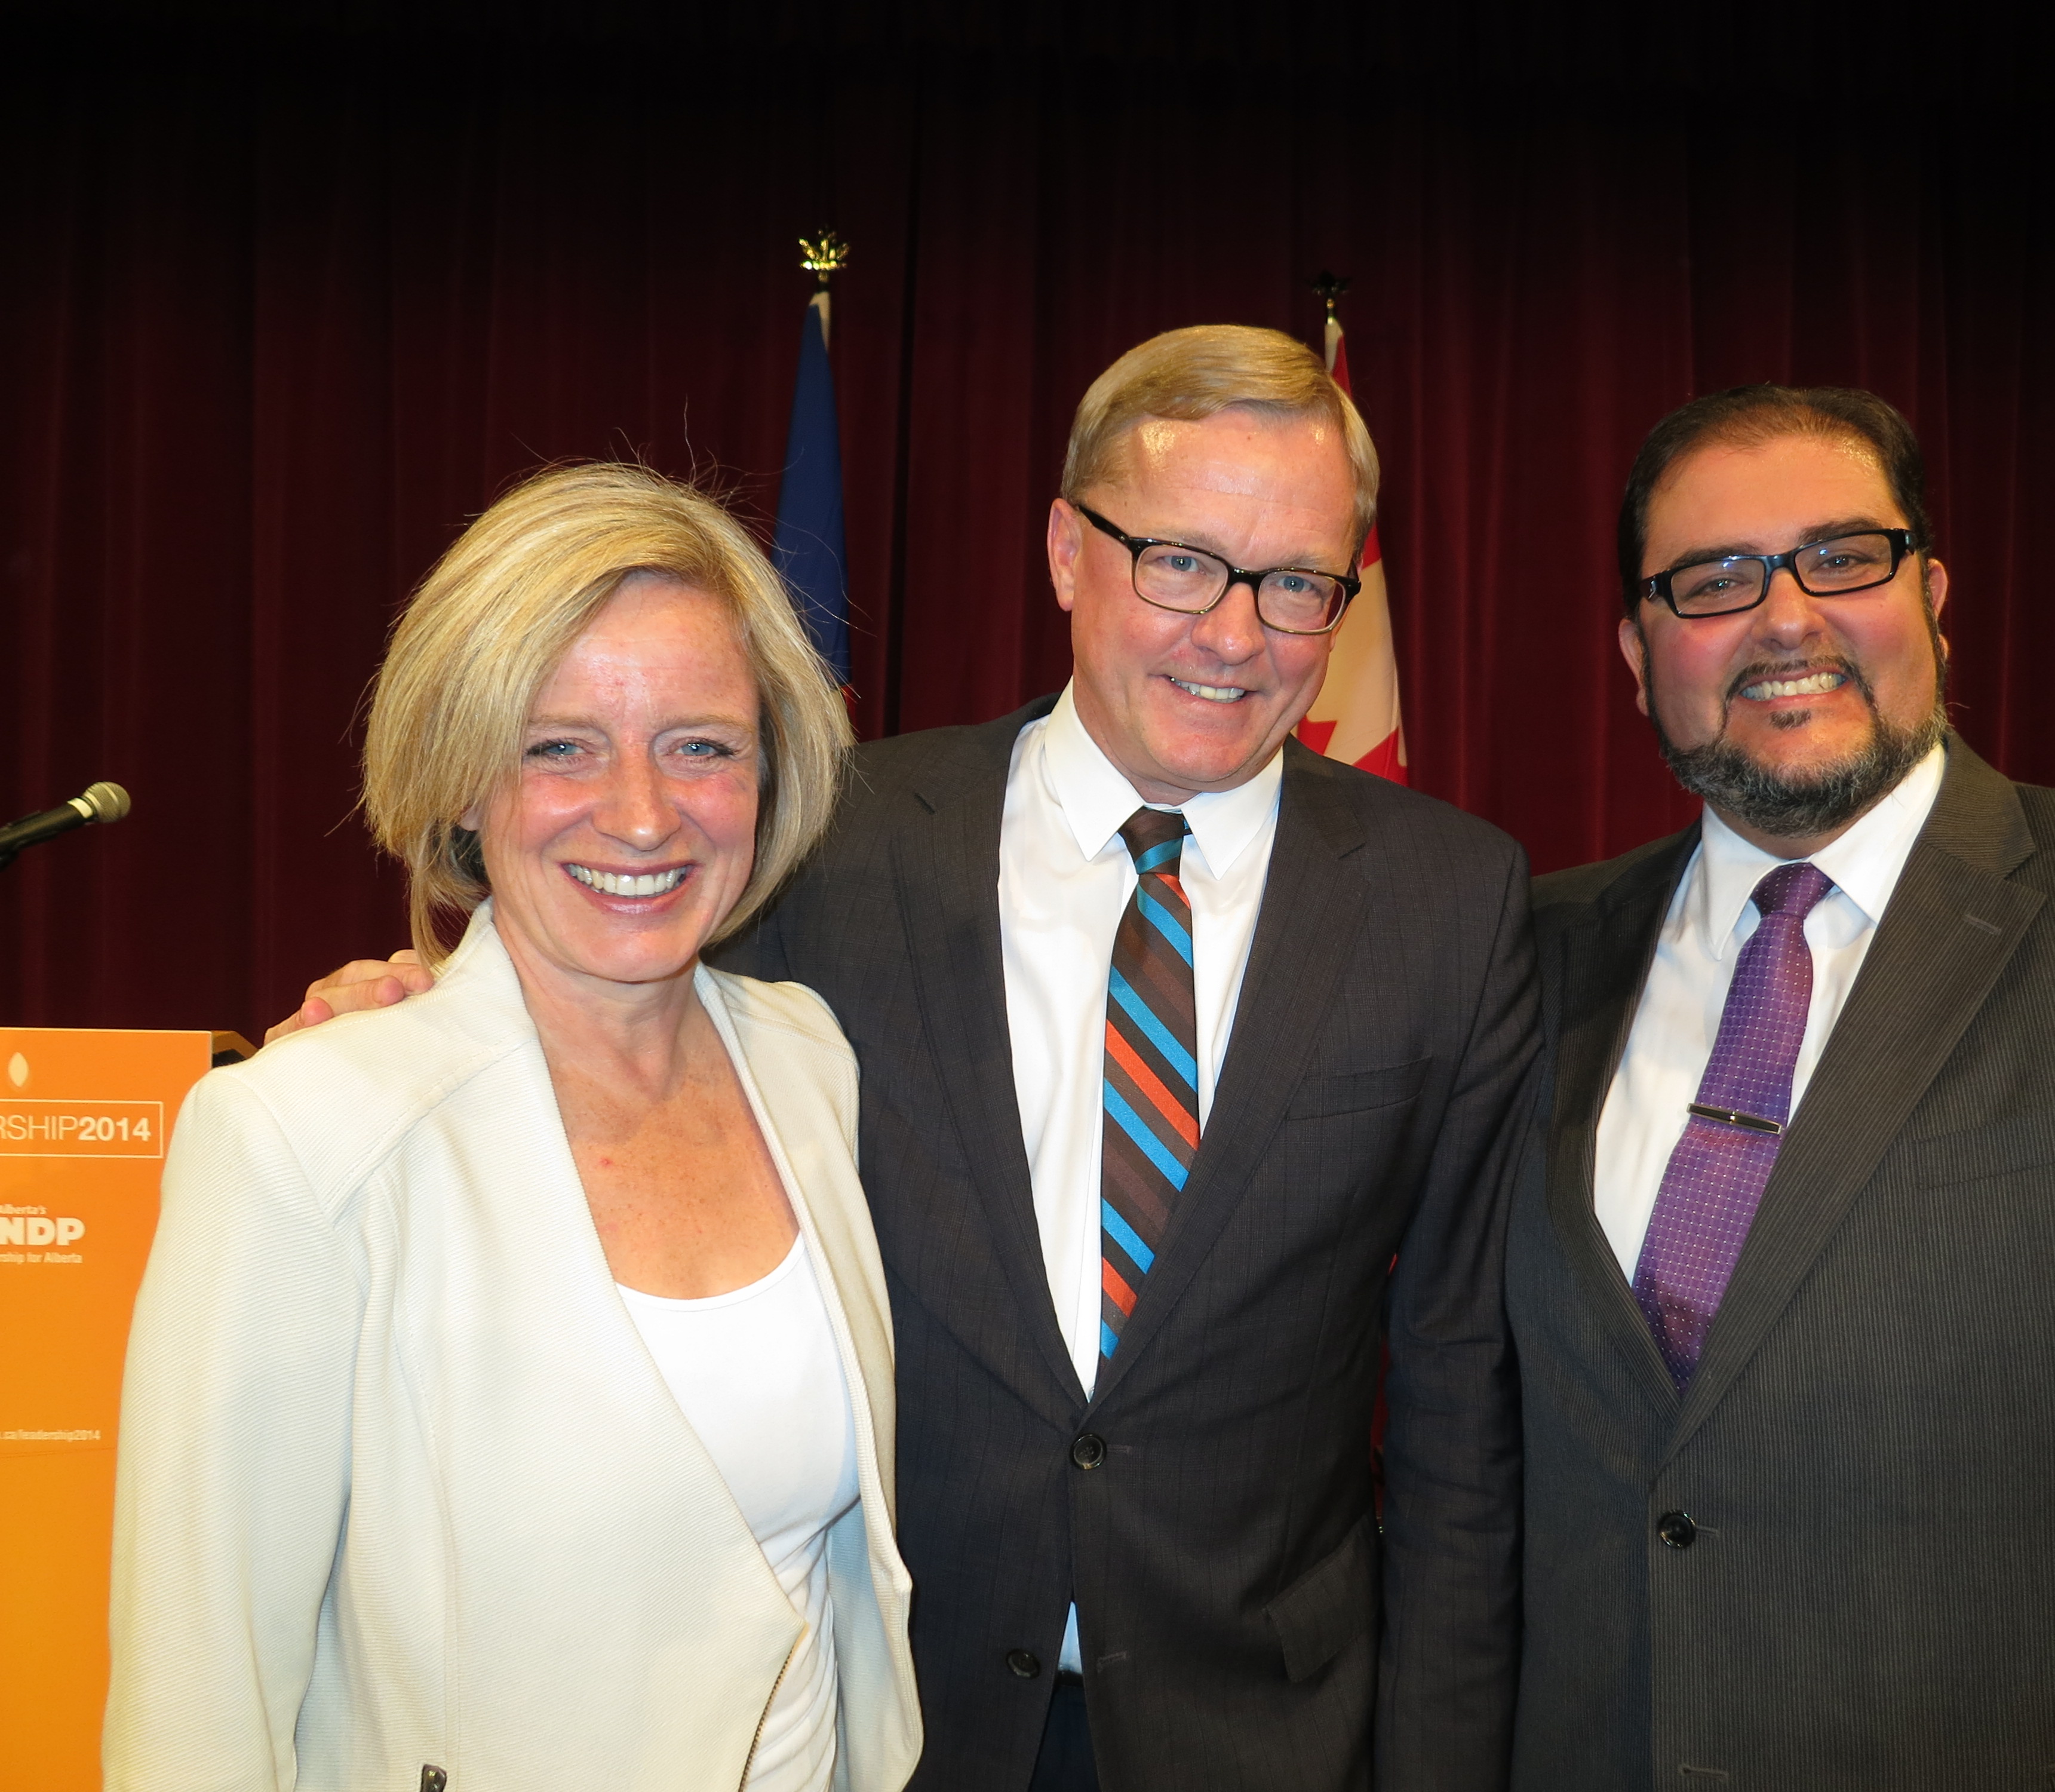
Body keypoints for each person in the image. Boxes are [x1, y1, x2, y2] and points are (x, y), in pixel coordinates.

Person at [274, 326, 1539, 1791]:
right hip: (889, 1723)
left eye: (1296, 583)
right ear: (1067, 549)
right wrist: (425, 1017)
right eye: (1180, 562)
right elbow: (606, 1018)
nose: (1236, 633)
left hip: (1263, 1735)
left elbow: (1457, 1401)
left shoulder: (1450, 900)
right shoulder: (827, 841)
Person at [1509, 383, 2055, 1787]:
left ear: (1930, 594)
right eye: (1714, 580)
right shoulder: (1526, 954)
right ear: (1635, 651)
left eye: (1841, 557)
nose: (1783, 617)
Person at [107, 465, 921, 1791]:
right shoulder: (301, 1135)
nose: (645, 812)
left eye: (700, 744)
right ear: (462, 782)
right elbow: (196, 1697)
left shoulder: (806, 1058)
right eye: (560, 745)